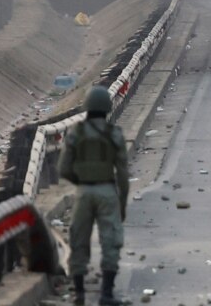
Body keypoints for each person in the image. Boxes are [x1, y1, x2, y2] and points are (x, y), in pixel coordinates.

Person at [59, 87, 130, 306]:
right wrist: (122, 203)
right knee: (111, 241)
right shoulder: (114, 133)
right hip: (107, 191)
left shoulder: (75, 133)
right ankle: (106, 294)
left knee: (78, 239)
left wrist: (81, 181)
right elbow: (123, 173)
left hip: (83, 191)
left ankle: (79, 293)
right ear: (107, 107)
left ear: (87, 106)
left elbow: (63, 168)